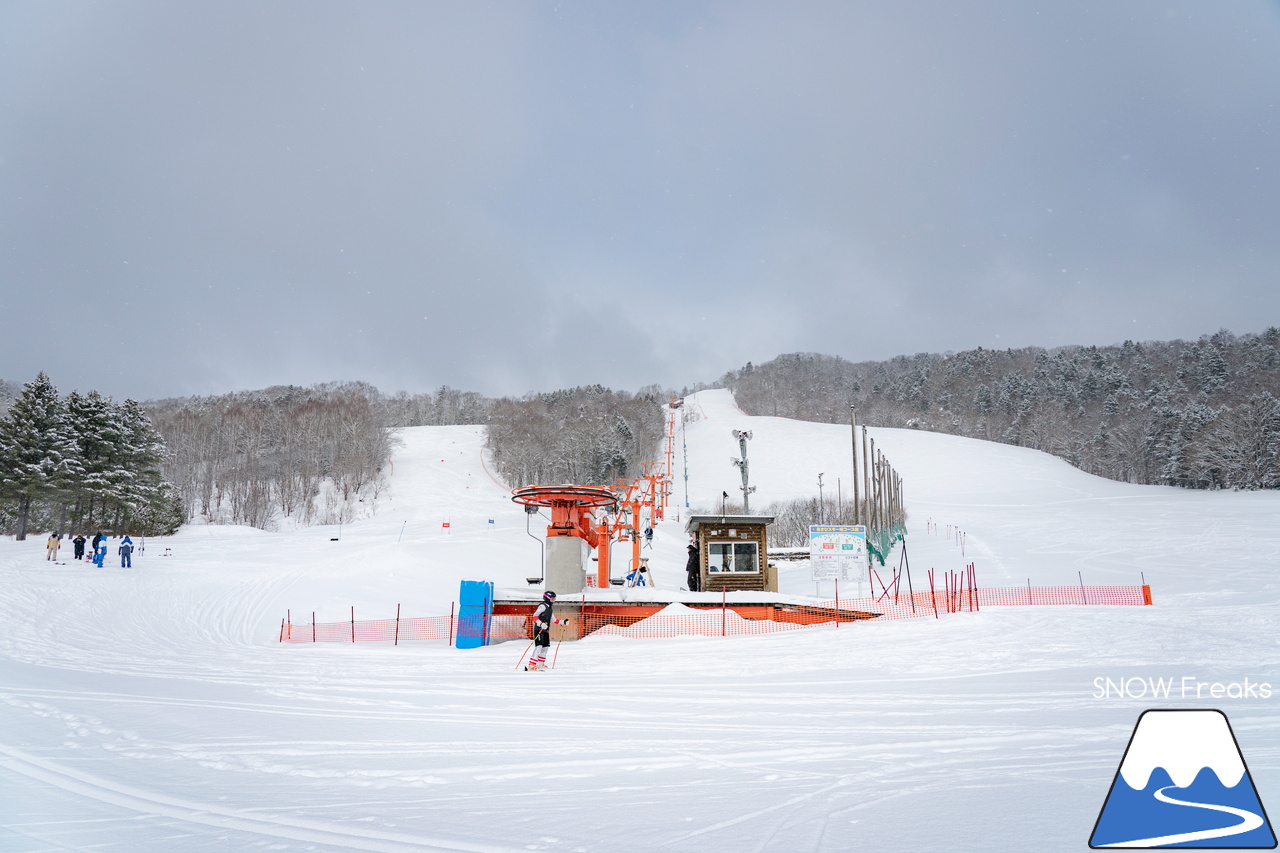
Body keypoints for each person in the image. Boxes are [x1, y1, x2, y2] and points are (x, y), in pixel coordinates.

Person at [525, 591, 565, 671]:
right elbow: (535, 616)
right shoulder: (542, 606)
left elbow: (553, 619)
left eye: (554, 599)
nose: (553, 601)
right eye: (552, 599)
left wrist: (563, 622)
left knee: (546, 647)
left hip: (545, 630)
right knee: (539, 647)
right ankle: (531, 665)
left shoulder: (549, 608)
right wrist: (540, 623)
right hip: (539, 629)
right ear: (547, 598)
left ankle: (540, 664)